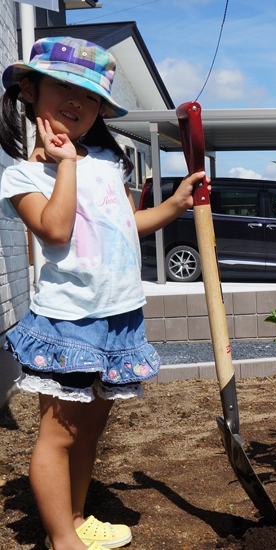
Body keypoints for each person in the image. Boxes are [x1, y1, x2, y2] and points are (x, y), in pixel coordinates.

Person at [0, 36, 206, 550]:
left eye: (91, 96)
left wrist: (174, 206)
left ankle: (75, 516)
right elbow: (55, 230)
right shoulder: (23, 174)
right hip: (70, 322)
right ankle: (61, 538)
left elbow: (123, 225)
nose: (78, 101)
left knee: (89, 433)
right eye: (65, 87)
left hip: (118, 317)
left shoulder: (107, 165)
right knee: (58, 434)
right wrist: (64, 164)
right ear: (29, 90)